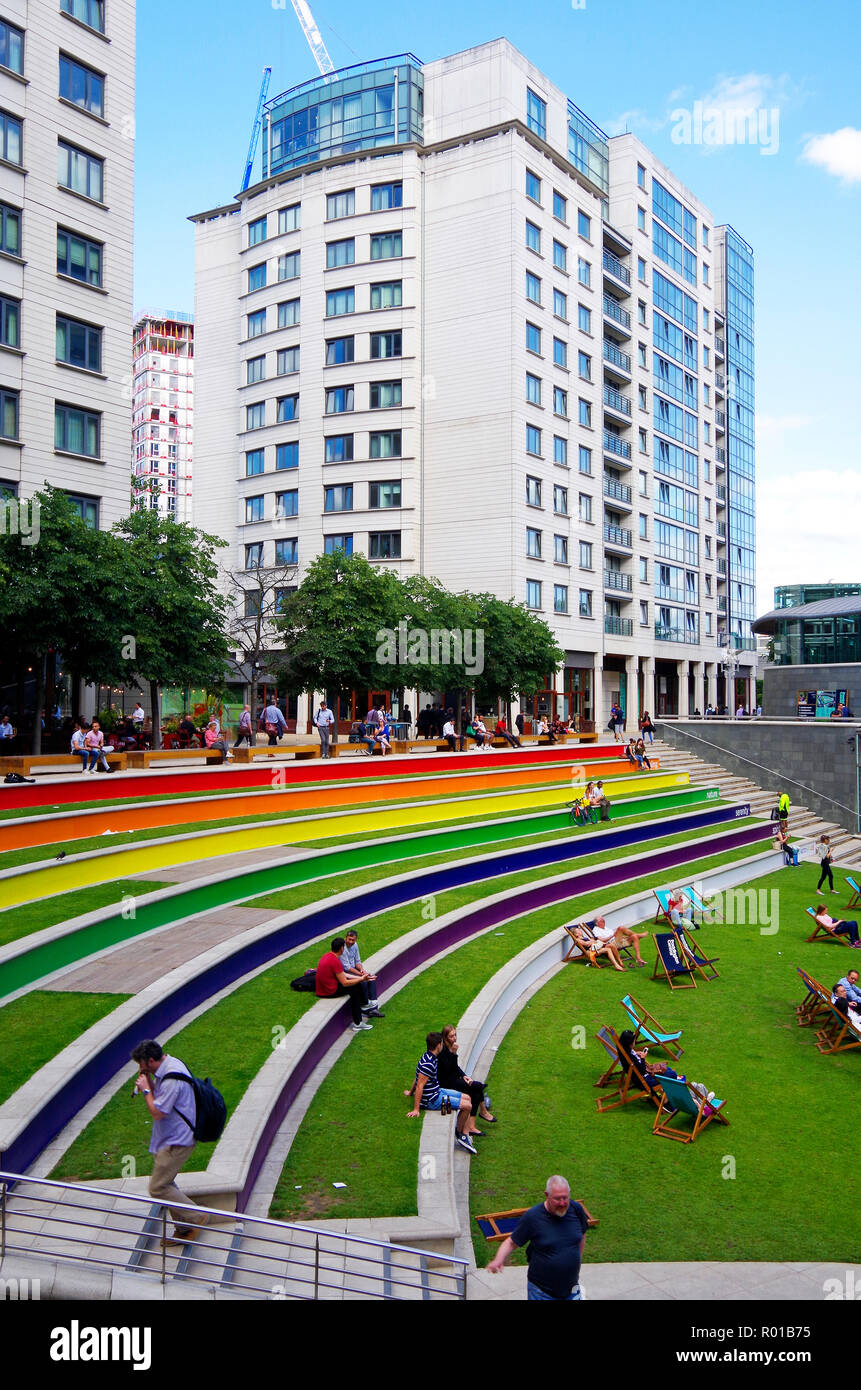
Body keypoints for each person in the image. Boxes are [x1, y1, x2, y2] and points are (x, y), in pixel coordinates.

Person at [130, 1039, 207, 1246]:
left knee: (157, 1187)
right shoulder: (169, 1065)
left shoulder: (172, 1079)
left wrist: (146, 1090)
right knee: (167, 1182)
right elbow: (162, 1098)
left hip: (177, 1141)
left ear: (151, 1060)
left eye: (141, 1064)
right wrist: (150, 1082)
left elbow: (157, 1112)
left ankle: (195, 1216)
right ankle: (183, 1228)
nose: (140, 1068)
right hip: (171, 1137)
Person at [487, 1176, 588, 1300]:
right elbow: (511, 1242)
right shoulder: (533, 1217)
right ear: (547, 1195)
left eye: (565, 1198)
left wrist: (576, 1261)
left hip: (571, 1289)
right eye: (557, 1199)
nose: (562, 1203)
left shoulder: (576, 1209)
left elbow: (582, 1235)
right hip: (542, 1292)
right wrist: (498, 1259)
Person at [405, 1032, 476, 1155]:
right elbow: (420, 1084)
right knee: (468, 1106)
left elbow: (417, 1078)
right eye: (442, 1043)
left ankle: (464, 1132)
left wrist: (410, 1092)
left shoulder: (429, 1057)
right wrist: (416, 1109)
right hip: (433, 1100)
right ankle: (460, 1135)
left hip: (438, 1091)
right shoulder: (428, 1063)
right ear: (438, 1045)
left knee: (468, 1097)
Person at [437, 1024, 495, 1134]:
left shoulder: (451, 1046)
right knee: (477, 1087)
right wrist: (454, 1053)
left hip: (454, 1079)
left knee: (476, 1092)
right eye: (451, 1036)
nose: (454, 1038)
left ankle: (472, 1125)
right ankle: (482, 1112)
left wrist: (464, 1076)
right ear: (445, 1037)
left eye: (455, 1035)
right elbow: (448, 1068)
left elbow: (455, 1067)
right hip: (447, 1083)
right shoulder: (443, 1050)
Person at [315, 936, 373, 1030]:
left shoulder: (327, 956)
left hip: (322, 989)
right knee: (355, 989)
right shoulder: (335, 961)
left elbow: (344, 974)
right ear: (342, 948)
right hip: (329, 991)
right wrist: (361, 979)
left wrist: (362, 978)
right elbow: (345, 983)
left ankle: (364, 1005)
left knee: (357, 984)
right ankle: (358, 1022)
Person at [339, 929, 384, 1019]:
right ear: (345, 938)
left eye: (353, 940)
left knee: (371, 979)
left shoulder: (355, 945)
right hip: (345, 973)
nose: (351, 942)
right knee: (363, 982)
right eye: (349, 939)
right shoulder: (342, 948)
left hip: (354, 970)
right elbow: (347, 968)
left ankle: (374, 1009)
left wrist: (362, 970)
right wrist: (361, 975)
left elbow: (358, 961)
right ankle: (365, 1008)